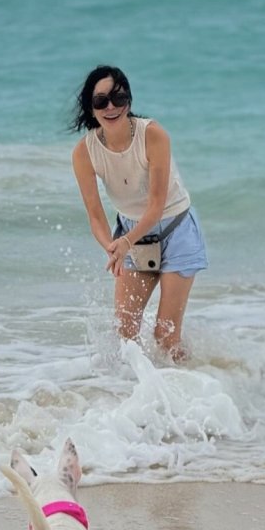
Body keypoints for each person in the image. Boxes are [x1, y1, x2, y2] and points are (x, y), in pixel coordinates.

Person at [70, 65, 208, 362]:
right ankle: (136, 399)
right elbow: (95, 215)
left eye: (118, 99)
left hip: (176, 228)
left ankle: (193, 387)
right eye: (101, 101)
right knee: (125, 331)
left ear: (128, 101)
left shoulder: (153, 135)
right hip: (131, 235)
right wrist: (112, 247)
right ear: (89, 106)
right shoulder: (84, 152)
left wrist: (126, 243)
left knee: (165, 335)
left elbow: (156, 205)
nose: (111, 107)